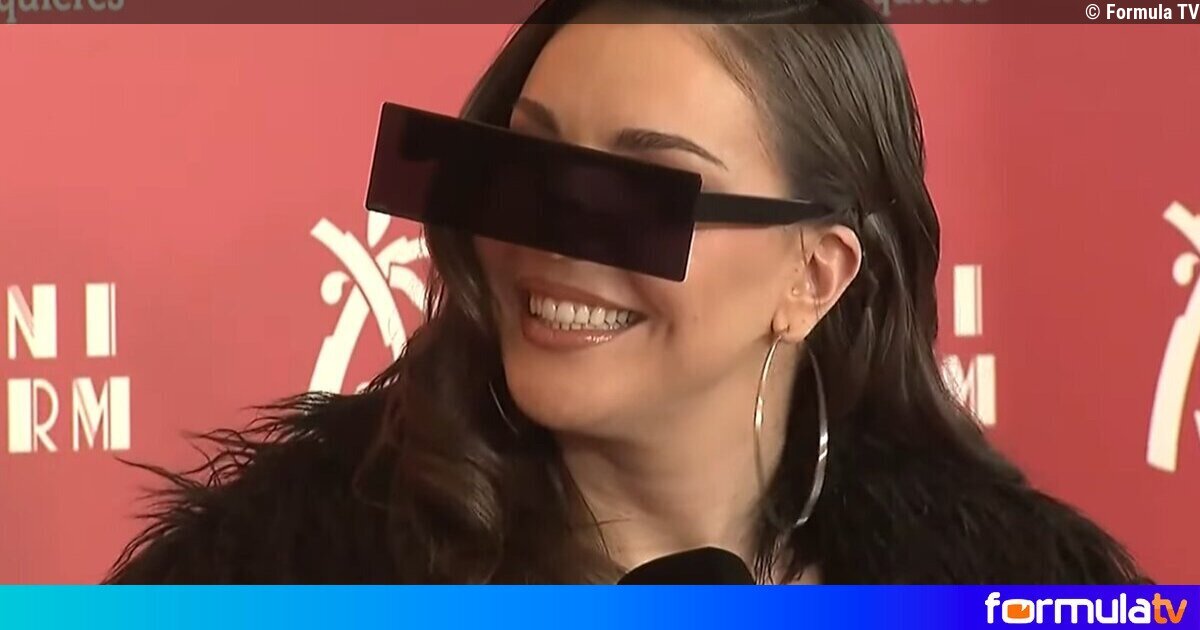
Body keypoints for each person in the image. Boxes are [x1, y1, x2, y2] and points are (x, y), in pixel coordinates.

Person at [105, 0, 1148, 584]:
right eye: (528, 169)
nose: (550, 244)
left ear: (813, 275)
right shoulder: (278, 579)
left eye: (637, 197)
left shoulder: (1013, 588)